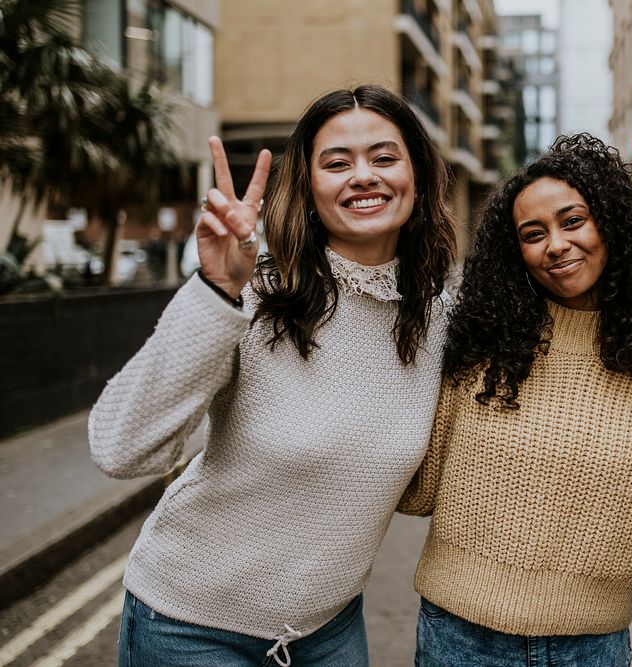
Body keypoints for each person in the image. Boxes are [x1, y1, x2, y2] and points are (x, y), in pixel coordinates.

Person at [88, 84, 456, 667]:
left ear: (418, 176)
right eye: (337, 163)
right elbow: (119, 448)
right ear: (310, 190)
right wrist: (216, 293)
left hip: (329, 629)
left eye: (384, 157)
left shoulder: (436, 317)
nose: (363, 176)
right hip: (191, 628)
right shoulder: (258, 291)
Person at [398, 134, 632, 665]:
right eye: (533, 234)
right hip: (461, 635)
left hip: (591, 644)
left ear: (612, 225)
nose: (555, 244)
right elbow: (417, 490)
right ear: (516, 252)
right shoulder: (479, 344)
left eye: (572, 221)